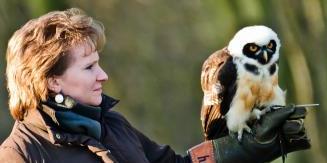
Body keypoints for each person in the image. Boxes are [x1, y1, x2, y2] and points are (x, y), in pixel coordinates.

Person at [0, 8, 310, 163]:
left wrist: (247, 148)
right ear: (52, 79)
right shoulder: (20, 153)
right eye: (89, 67)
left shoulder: (111, 124)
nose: (103, 75)